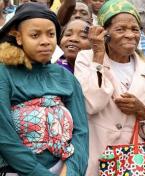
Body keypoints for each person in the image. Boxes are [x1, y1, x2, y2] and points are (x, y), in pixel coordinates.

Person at [74, 0, 145, 175]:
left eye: (135, 29)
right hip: (95, 159)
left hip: (133, 165)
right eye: (120, 29)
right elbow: (90, 104)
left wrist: (142, 112)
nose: (130, 35)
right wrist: (99, 54)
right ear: (103, 33)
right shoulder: (86, 59)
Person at [0, 3, 88, 175]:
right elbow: (4, 135)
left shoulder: (67, 78)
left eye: (51, 34)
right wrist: (38, 172)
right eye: (35, 35)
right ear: (18, 37)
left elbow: (81, 132)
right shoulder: (4, 74)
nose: (45, 41)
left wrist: (71, 171)